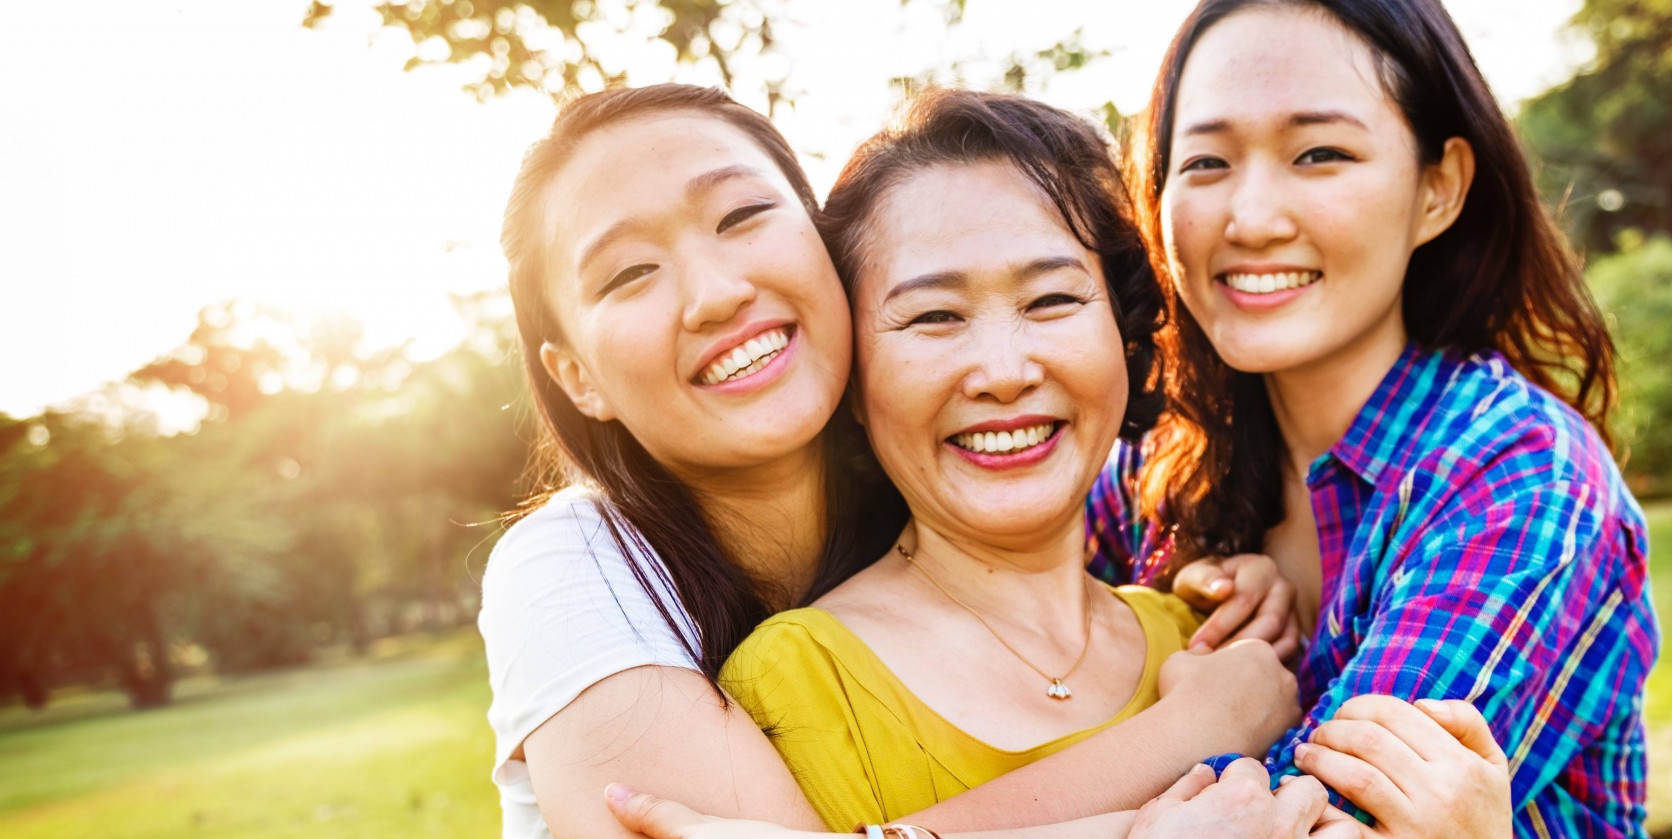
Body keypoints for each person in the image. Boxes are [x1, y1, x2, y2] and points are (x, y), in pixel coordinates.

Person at [600, 89, 1513, 839]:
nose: (1003, 372)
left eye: (1051, 300)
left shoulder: (1213, 640)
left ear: (1123, 335)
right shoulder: (799, 682)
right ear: (854, 370)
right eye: (933, 317)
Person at [482, 84, 1309, 839]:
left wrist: (1217, 579)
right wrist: (1192, 736)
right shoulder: (575, 566)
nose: (717, 292)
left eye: (741, 216)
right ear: (577, 376)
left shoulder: (950, 493)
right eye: (630, 272)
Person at [1095, 0, 1656, 834]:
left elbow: (1308, 820)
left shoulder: (1520, 476)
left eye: (1319, 153)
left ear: (1439, 188)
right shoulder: (1156, 464)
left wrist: (1214, 712)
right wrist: (1149, 619)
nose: (1249, 220)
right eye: (1206, 162)